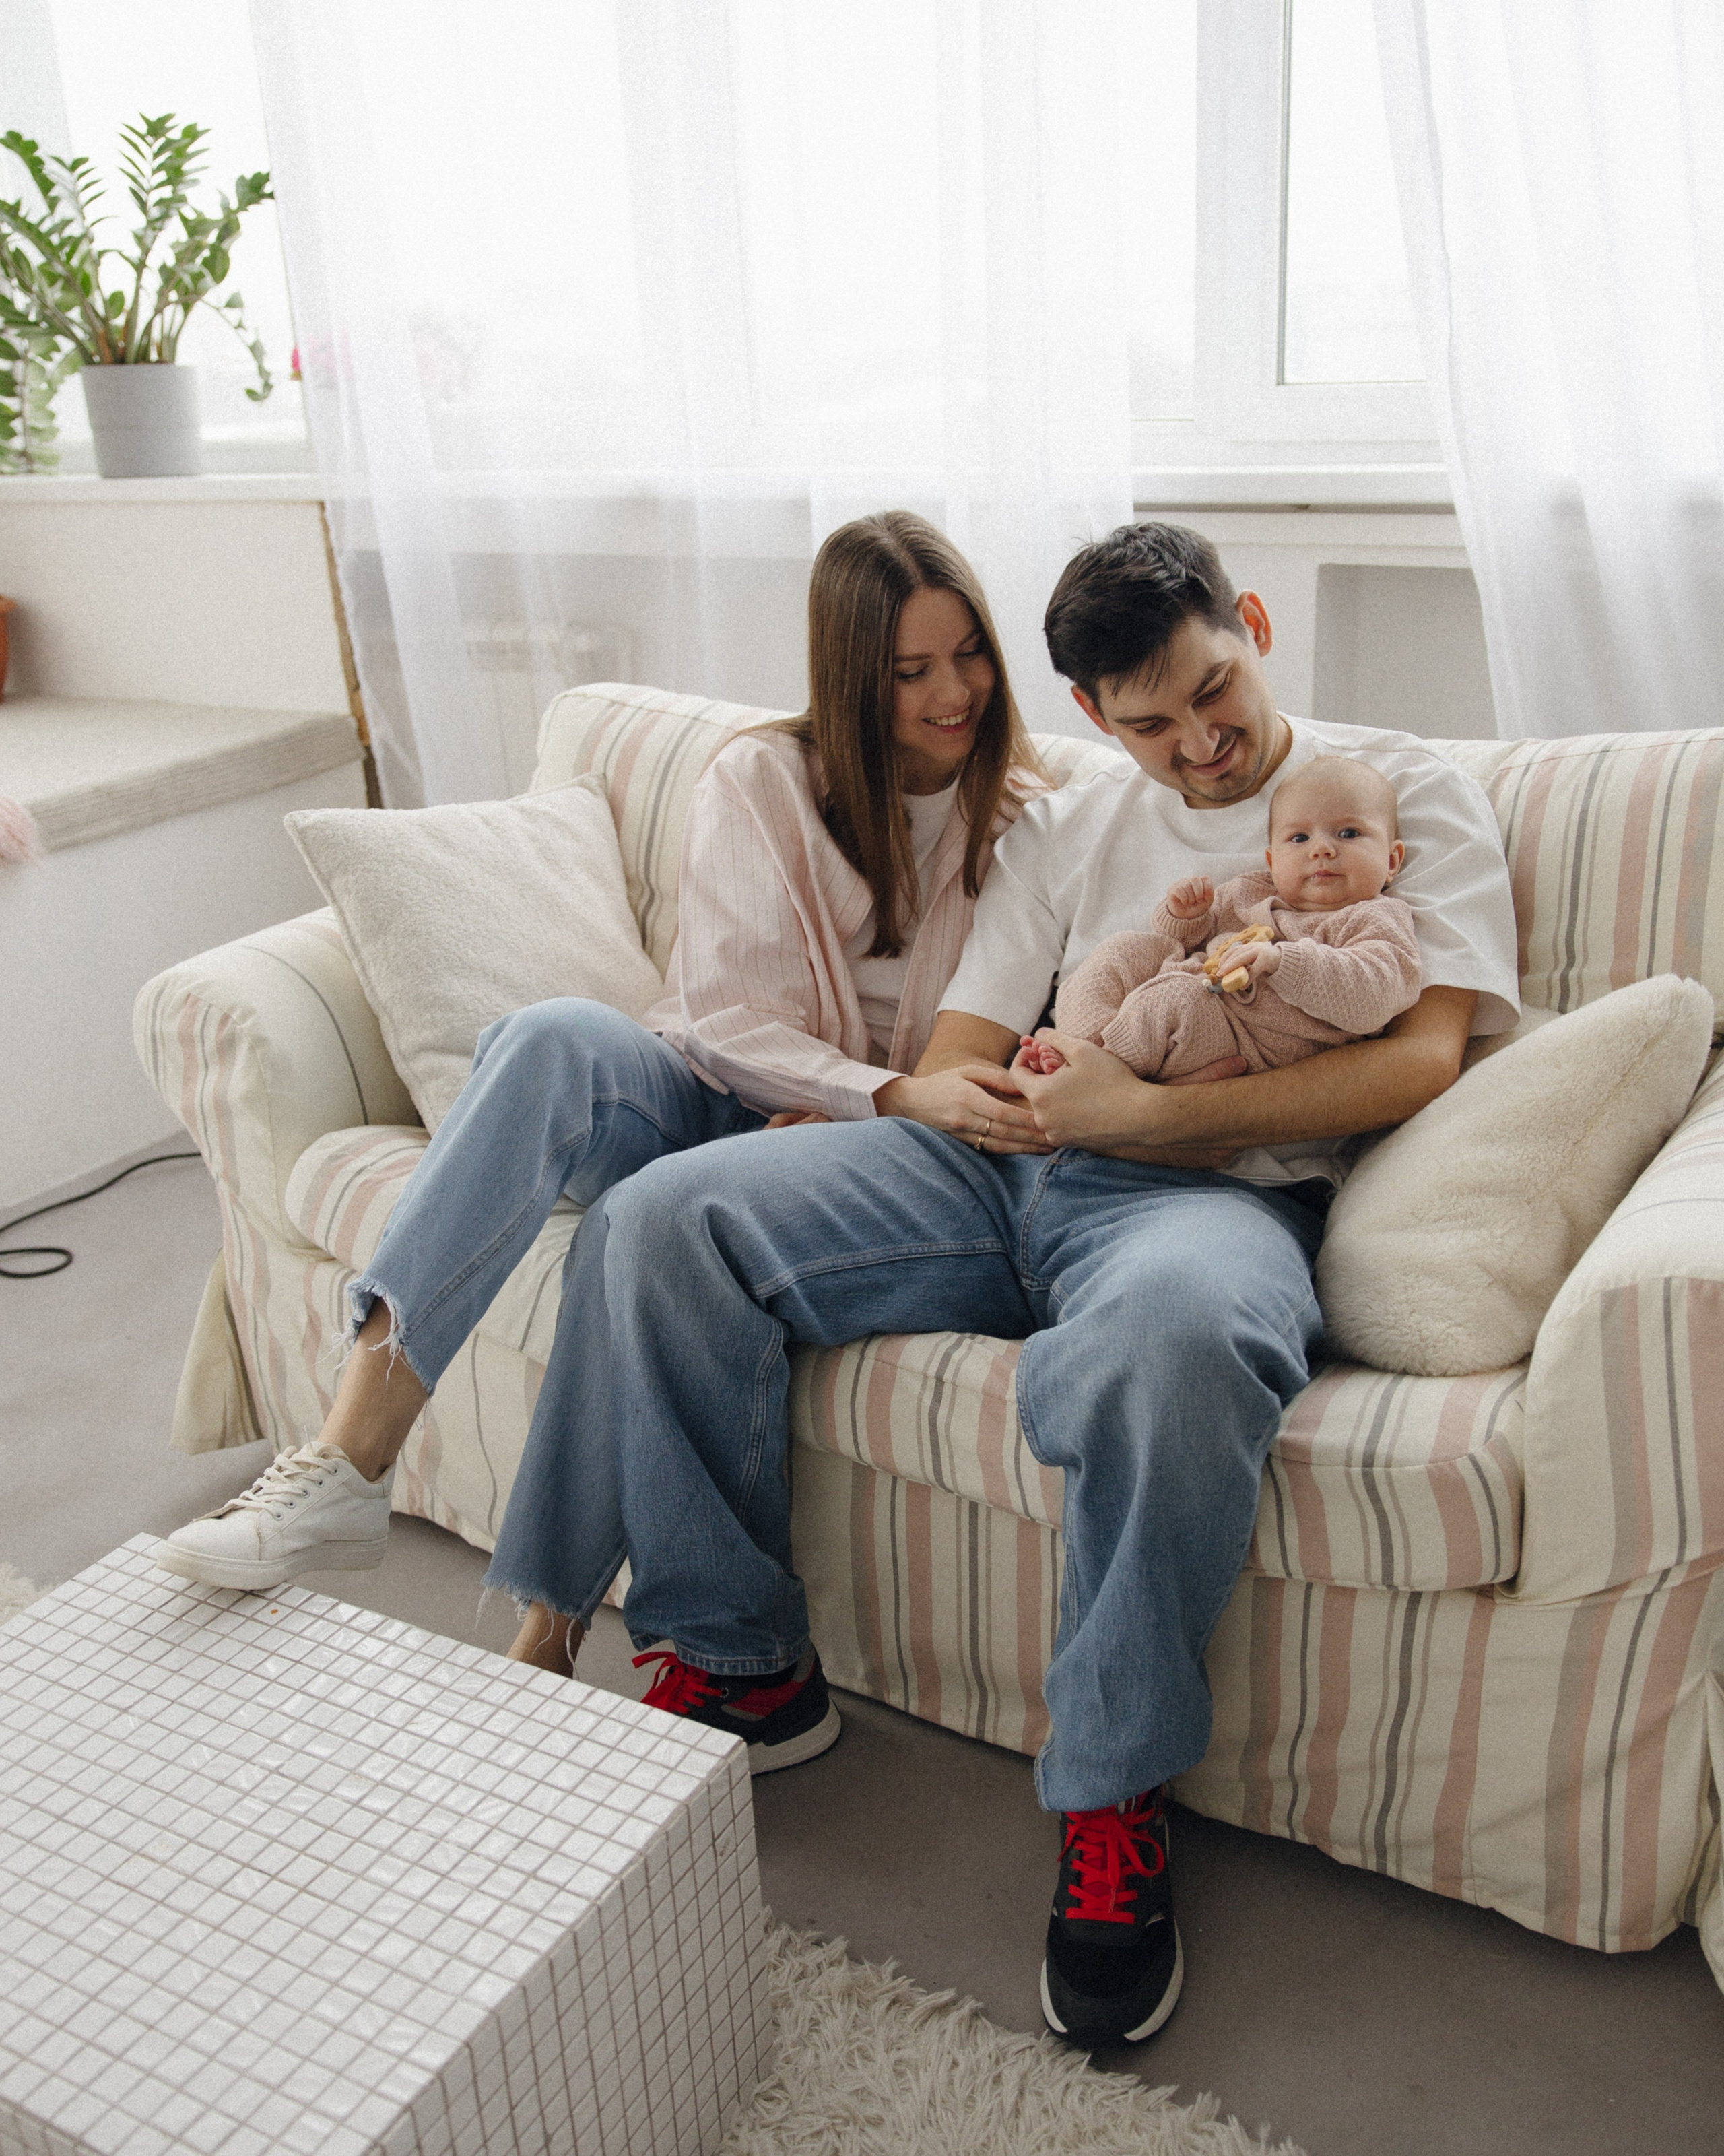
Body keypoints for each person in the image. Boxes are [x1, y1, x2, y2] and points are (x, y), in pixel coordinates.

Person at [562, 521, 1520, 2048]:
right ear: (1090, 716)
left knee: (1179, 1341)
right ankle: (742, 1665)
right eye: (1146, 724)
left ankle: (1104, 1798)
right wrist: (997, 1091)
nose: (1196, 748)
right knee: (665, 1221)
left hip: (1199, 1198)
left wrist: (1136, 1113)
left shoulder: (1393, 797)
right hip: (1008, 1162)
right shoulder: (1076, 827)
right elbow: (956, 1045)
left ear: (1251, 623)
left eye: (1213, 694)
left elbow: (1413, 1055)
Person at [155, 511, 1053, 1733]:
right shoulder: (761, 777)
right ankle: (347, 1464)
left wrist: (855, 1128)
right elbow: (728, 1019)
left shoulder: (1029, 819)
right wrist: (871, 1090)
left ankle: (545, 1638)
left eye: (970, 657)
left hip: (841, 1162)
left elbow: (1000, 1055)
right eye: (910, 671)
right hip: (716, 1096)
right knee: (545, 1039)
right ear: (852, 675)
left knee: (631, 1234)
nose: (952, 693)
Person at [1024, 754, 1420, 1080]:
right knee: (1126, 949)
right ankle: (1078, 1043)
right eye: (1299, 838)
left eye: (1348, 834)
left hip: (1252, 1041)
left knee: (1175, 1000)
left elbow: (1378, 992)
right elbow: (1194, 939)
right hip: (1189, 987)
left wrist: (1284, 962)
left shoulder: (1375, 918)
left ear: (1391, 861)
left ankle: (1093, 1074)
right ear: (1272, 859)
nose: (1321, 850)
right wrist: (1186, 917)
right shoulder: (1253, 890)